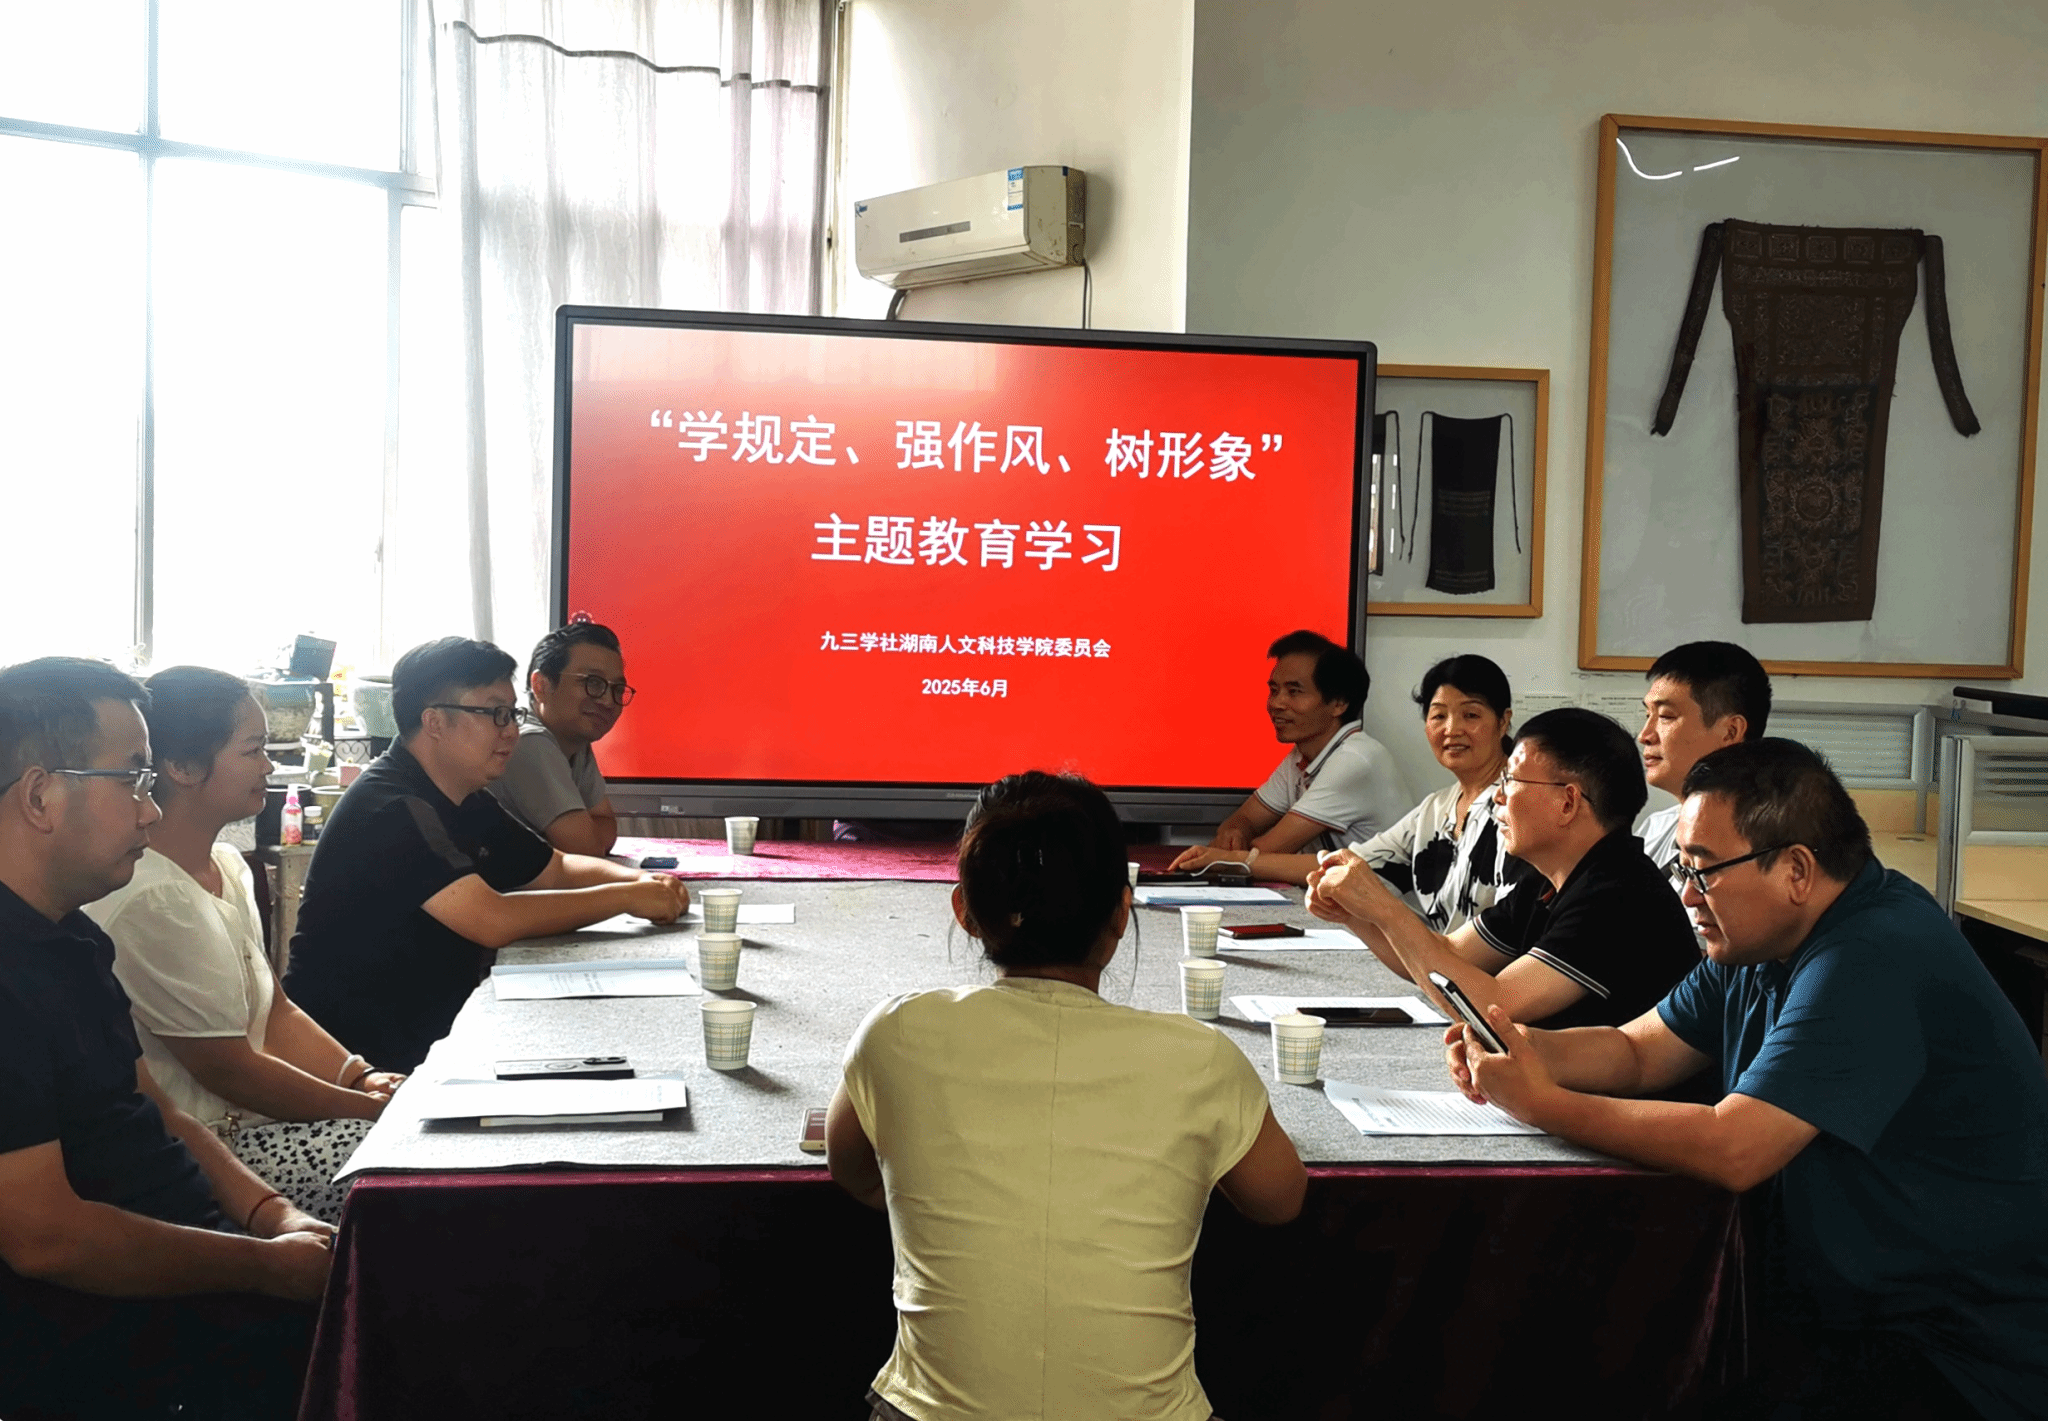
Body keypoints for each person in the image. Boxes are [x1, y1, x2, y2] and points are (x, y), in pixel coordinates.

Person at [1446, 739, 2048, 1421]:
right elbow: (1637, 1050)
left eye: (1704, 871)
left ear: (1796, 869)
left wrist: (1544, 1104)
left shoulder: (1873, 954)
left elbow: (1735, 1146)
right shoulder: (1757, 939)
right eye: (1683, 868)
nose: (1687, 894)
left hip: (1951, 1345)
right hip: (1838, 1304)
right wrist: (1520, 1047)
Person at [828, 771, 1306, 1421]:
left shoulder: (894, 1032)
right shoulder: (1200, 1058)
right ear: (1121, 912)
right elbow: (1280, 1200)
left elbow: (855, 1173)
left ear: (965, 910)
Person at [0, 657, 332, 1420]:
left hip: (201, 1270)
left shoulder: (72, 936)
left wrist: (274, 1216)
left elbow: (158, 1109)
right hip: (113, 1342)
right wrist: (261, 1265)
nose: (151, 812)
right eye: (134, 779)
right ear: (41, 795)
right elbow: (46, 1236)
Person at [283, 637, 690, 1075]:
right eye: (495, 714)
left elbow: (554, 867)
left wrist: (639, 882)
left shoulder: (463, 794)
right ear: (435, 721)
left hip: (429, 1041)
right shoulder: (393, 807)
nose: (511, 731)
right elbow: (493, 919)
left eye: (512, 714)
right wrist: (625, 899)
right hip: (356, 1067)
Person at [87, 667, 402, 1225]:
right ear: (182, 767)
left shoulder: (226, 866)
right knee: (401, 1165)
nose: (268, 766)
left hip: (259, 1127)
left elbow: (275, 1012)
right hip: (214, 1150)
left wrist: (361, 1076)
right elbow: (230, 1070)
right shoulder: (154, 896)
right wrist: (371, 1110)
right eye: (253, 749)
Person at [1309, 707, 1697, 1030]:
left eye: (1510, 780)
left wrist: (1384, 908)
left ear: (1567, 803)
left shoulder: (1617, 894)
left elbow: (1493, 1006)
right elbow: (1444, 956)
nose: (1497, 796)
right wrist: (1353, 912)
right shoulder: (1549, 879)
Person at [1170, 630, 1410, 885]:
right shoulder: (1303, 755)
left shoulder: (1355, 760)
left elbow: (1267, 851)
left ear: (1339, 703)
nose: (1277, 703)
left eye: (1294, 692)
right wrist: (1235, 831)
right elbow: (1245, 819)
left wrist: (1228, 856)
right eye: (1274, 690)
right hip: (1338, 899)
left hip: (1382, 905)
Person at [1351, 654, 1529, 932]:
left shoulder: (1521, 802)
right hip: (1440, 954)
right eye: (1438, 716)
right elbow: (1357, 863)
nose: (1452, 729)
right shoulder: (1437, 807)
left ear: (1503, 722)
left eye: (1470, 715)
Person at [489, 617, 628, 855]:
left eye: (617, 689)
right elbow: (587, 849)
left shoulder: (574, 741)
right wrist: (588, 836)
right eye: (593, 683)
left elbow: (605, 824)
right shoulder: (528, 742)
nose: (607, 701)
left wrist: (587, 836)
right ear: (541, 686)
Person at [1636, 640, 1771, 874]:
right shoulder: (1655, 829)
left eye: (1666, 716)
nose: (1644, 736)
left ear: (1730, 732)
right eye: (1648, 715)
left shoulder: (1763, 844)